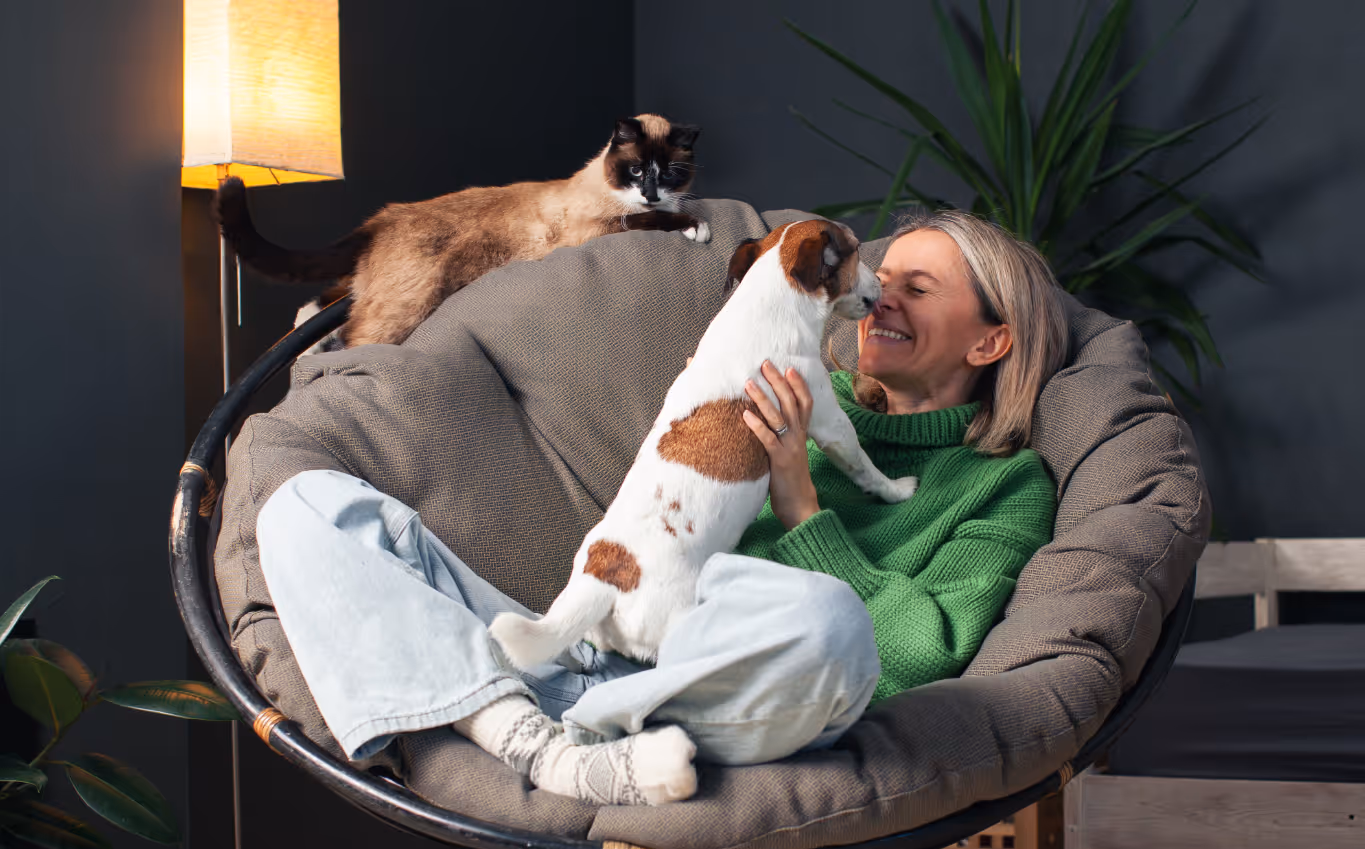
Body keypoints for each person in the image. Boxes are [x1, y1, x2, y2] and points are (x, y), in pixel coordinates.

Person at [254, 209, 1069, 808]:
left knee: (828, 617)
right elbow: (663, 530)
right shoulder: (779, 390)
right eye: (877, 281)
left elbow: (919, 655)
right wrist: (702, 406)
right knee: (305, 508)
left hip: (745, 697)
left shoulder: (1004, 484)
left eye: (913, 290)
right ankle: (544, 743)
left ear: (989, 342)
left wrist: (799, 499)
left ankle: (544, 715)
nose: (875, 299)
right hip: (596, 652)